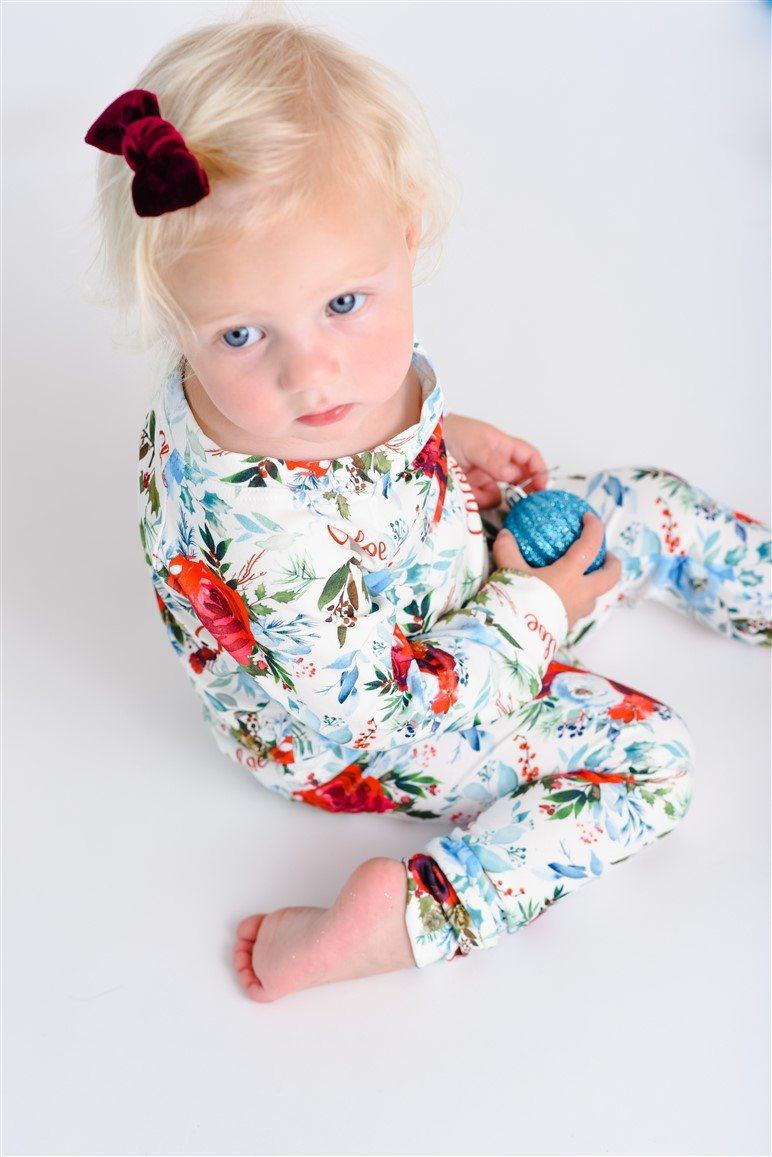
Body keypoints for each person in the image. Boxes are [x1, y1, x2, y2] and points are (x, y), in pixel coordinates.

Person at [84, 4, 771, 1003]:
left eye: (343, 304)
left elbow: (355, 451)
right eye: (240, 335)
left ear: (407, 238)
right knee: (648, 760)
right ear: (176, 315)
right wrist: (537, 610)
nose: (311, 374)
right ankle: (407, 919)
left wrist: (444, 441)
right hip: (368, 722)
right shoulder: (256, 541)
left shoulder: (303, 387)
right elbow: (384, 715)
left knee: (641, 500)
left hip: (428, 554)